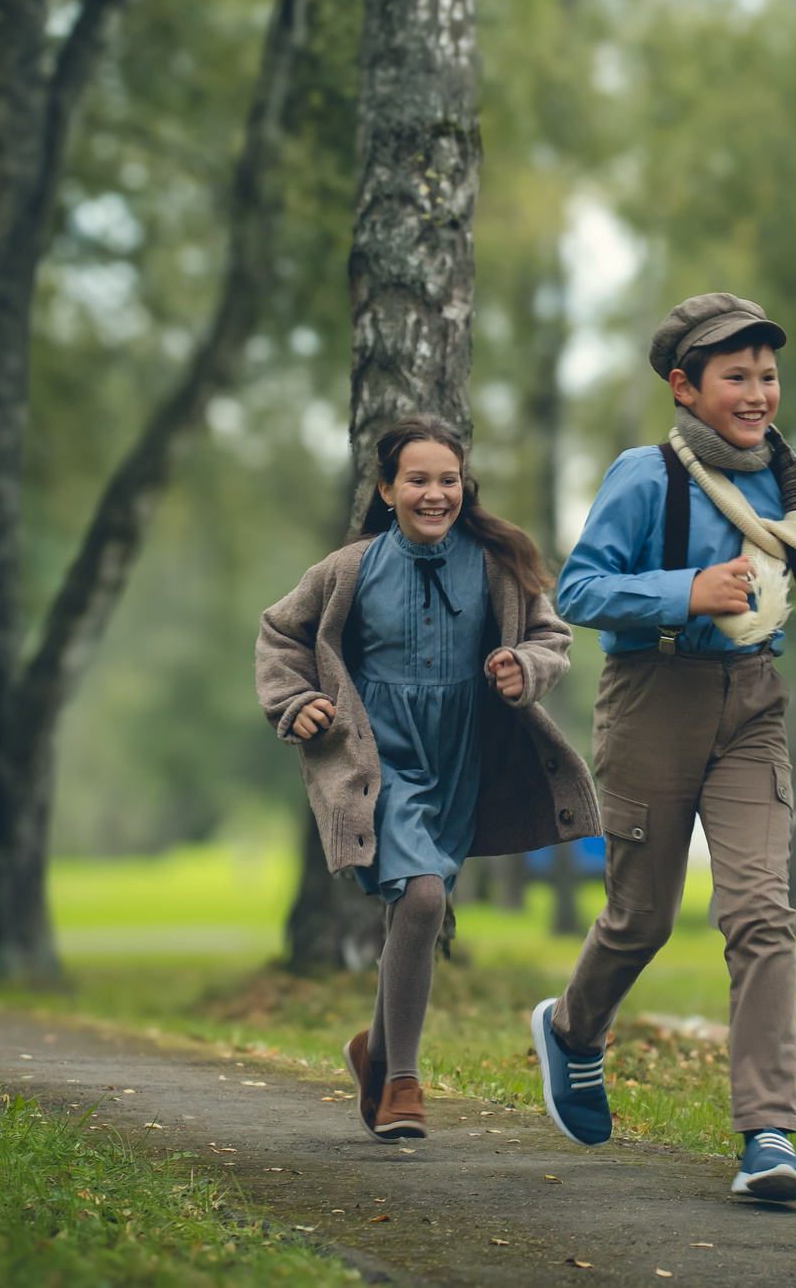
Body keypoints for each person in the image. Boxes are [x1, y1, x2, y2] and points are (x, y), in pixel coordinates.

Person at [528, 293, 796, 1202]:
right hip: (651, 699)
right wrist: (688, 590)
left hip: (753, 699)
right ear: (684, 386)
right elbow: (581, 587)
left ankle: (768, 1133)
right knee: (642, 915)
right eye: (735, 377)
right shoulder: (646, 476)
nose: (758, 392)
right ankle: (572, 1030)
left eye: (766, 374)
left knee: (761, 911)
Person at [258, 414, 597, 1142]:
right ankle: (403, 1079)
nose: (434, 493)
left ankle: (373, 1053)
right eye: (417, 479)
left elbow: (551, 637)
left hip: (461, 759)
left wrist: (523, 668)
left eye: (448, 479)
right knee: (420, 898)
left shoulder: (496, 566)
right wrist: (298, 703)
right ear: (387, 488)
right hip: (380, 761)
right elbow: (282, 634)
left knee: (420, 900)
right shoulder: (348, 569)